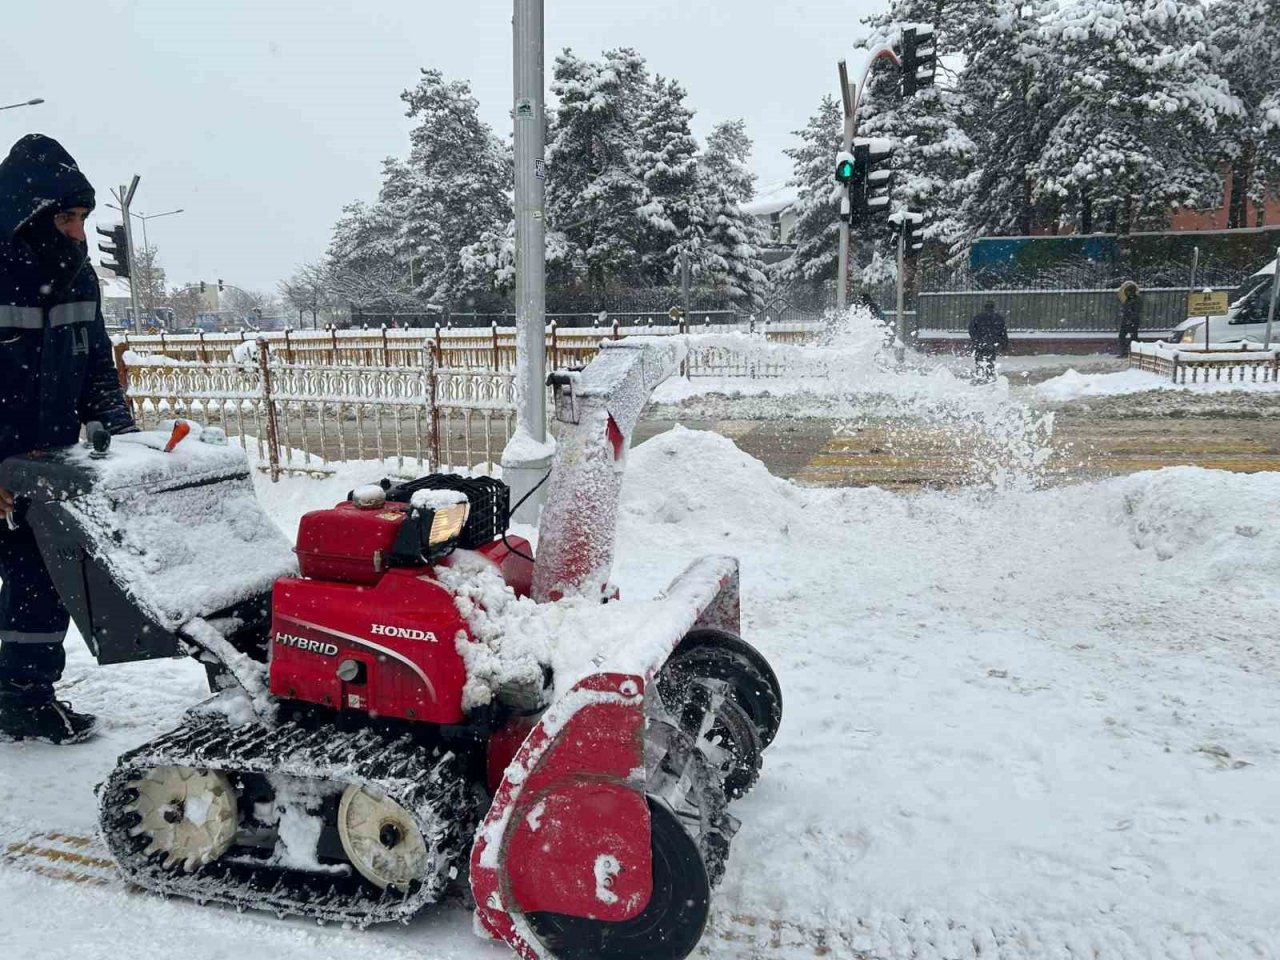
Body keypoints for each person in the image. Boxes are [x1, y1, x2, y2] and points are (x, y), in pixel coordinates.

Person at [0, 134, 137, 744]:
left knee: (38, 582)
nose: (78, 232)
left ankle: (24, 698)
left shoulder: (79, 278)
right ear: (27, 215)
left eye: (83, 218)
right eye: (66, 217)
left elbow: (97, 369)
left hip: (45, 466)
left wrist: (128, 445)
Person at [968, 299, 1009, 382]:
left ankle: (980, 376)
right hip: (992, 343)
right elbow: (1003, 331)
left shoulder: (978, 317)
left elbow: (971, 329)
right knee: (990, 360)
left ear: (985, 307)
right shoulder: (998, 318)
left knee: (979, 360)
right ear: (993, 307)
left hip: (980, 343)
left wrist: (975, 339)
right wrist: (1004, 342)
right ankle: (989, 376)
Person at [1117, 281, 1142, 357]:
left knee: (1133, 338)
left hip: (1132, 321)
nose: (1127, 293)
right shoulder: (1127, 300)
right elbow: (1126, 309)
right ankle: (1124, 352)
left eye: (1128, 291)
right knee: (1122, 336)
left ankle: (1132, 352)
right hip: (1126, 321)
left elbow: (1136, 311)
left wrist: (1130, 319)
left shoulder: (1136, 300)